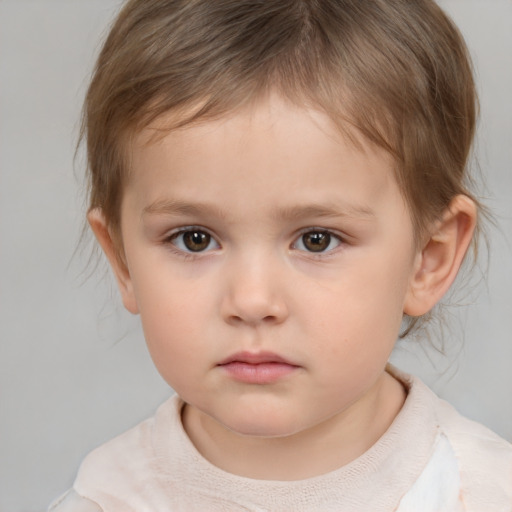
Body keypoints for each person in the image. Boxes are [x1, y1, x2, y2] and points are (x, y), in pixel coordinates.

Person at [48, 0, 512, 510]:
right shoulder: (107, 501)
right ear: (122, 259)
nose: (251, 300)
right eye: (194, 239)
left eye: (317, 239)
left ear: (428, 257)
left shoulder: (483, 493)